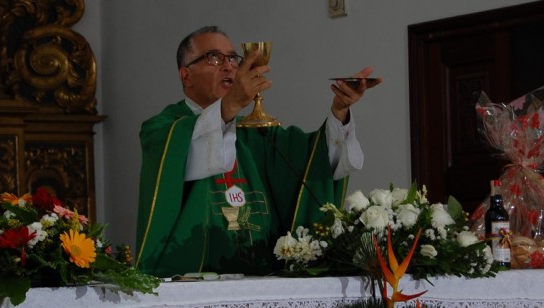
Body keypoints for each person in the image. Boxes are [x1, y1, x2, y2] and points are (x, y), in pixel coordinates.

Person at [135, 26, 381, 277]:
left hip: (262, 279)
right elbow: (182, 154)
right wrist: (230, 105)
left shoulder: (255, 133)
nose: (229, 66)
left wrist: (340, 110)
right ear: (185, 75)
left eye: (232, 58)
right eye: (214, 58)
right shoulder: (165, 129)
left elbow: (313, 161)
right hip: (192, 283)